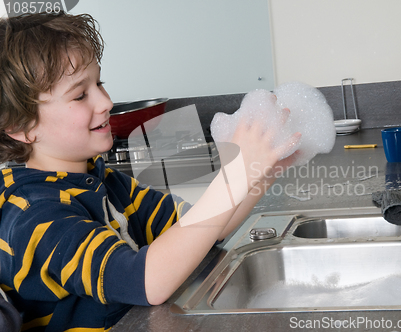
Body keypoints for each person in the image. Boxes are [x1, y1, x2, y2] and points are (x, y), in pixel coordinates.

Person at [0, 11, 300, 331]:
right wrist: (234, 175)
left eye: (99, 83)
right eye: (80, 94)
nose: (105, 101)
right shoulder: (35, 216)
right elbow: (146, 281)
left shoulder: (102, 180)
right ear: (22, 126)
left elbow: (204, 228)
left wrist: (262, 171)